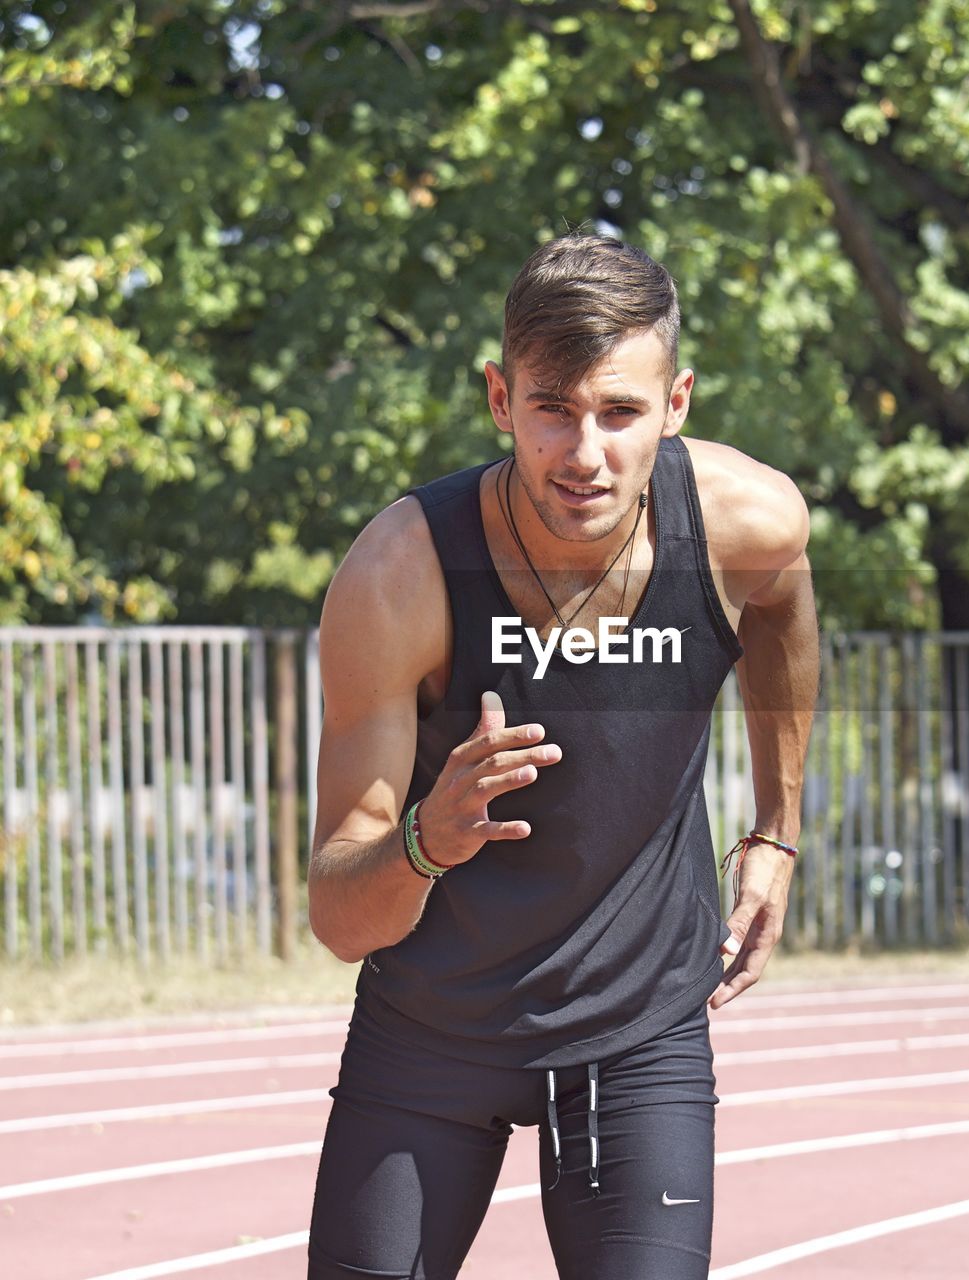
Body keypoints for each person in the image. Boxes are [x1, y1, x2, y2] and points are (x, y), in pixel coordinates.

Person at [306, 233, 819, 1280]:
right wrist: (424, 840)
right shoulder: (401, 574)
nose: (584, 452)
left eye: (619, 412)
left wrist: (775, 829)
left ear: (674, 404)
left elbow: (781, 605)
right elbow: (336, 913)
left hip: (637, 1029)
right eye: (551, 408)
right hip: (428, 1032)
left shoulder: (744, 524)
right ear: (500, 399)